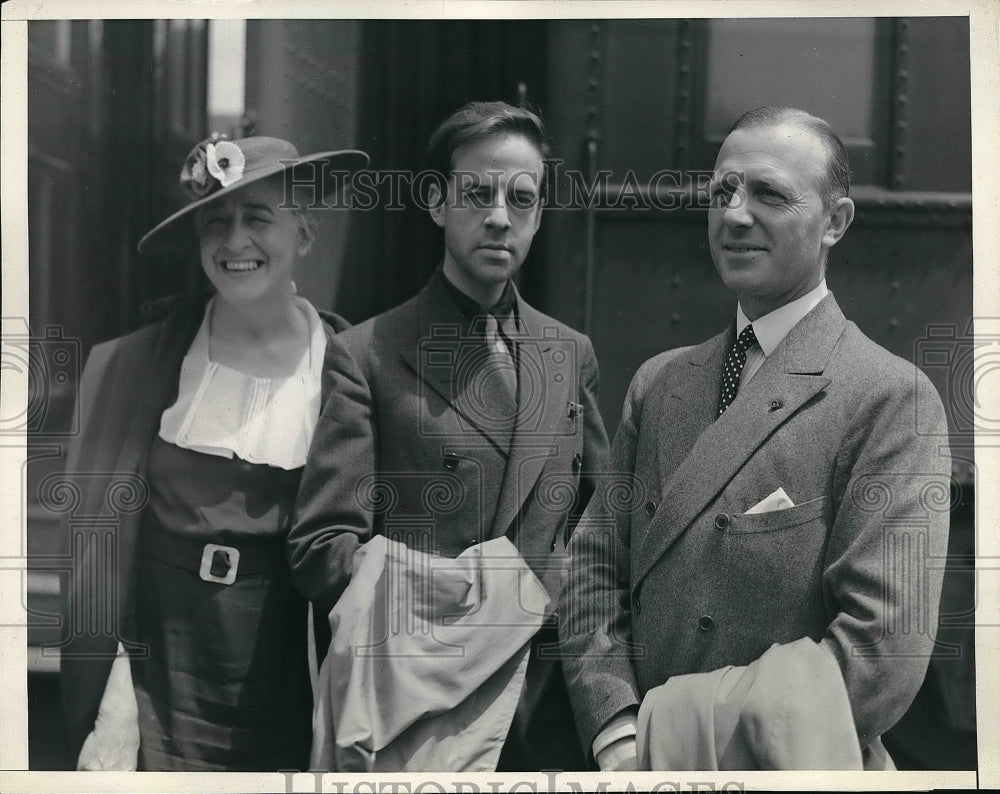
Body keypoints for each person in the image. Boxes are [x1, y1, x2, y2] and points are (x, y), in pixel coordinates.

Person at [558, 107, 952, 770]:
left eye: (769, 194)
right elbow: (591, 573)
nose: (734, 215)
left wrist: (683, 742)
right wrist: (620, 737)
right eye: (722, 192)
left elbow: (882, 653)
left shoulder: (890, 399)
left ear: (836, 222)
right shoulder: (660, 385)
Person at [288, 101, 609, 772]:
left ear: (540, 213)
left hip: (546, 714)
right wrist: (460, 597)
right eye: (477, 193)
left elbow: (606, 532)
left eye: (523, 199)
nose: (499, 216)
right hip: (425, 714)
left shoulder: (569, 353)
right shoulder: (370, 353)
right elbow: (321, 549)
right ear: (437, 202)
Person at [59, 134, 368, 771]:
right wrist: (115, 704)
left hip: (292, 685)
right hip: (157, 685)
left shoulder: (352, 374)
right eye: (215, 222)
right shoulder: (129, 368)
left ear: (304, 235)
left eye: (259, 218)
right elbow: (98, 550)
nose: (234, 243)